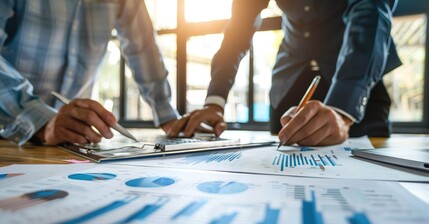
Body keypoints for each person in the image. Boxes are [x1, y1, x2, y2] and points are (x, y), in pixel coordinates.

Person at [168, 0, 402, 146]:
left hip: (357, 84)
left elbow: (370, 11)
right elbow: (238, 29)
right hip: (290, 83)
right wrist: (214, 102)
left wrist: (343, 111)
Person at [0, 0, 180, 146]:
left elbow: (142, 47)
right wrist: (40, 121)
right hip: (9, 131)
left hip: (72, 140)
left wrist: (168, 117)